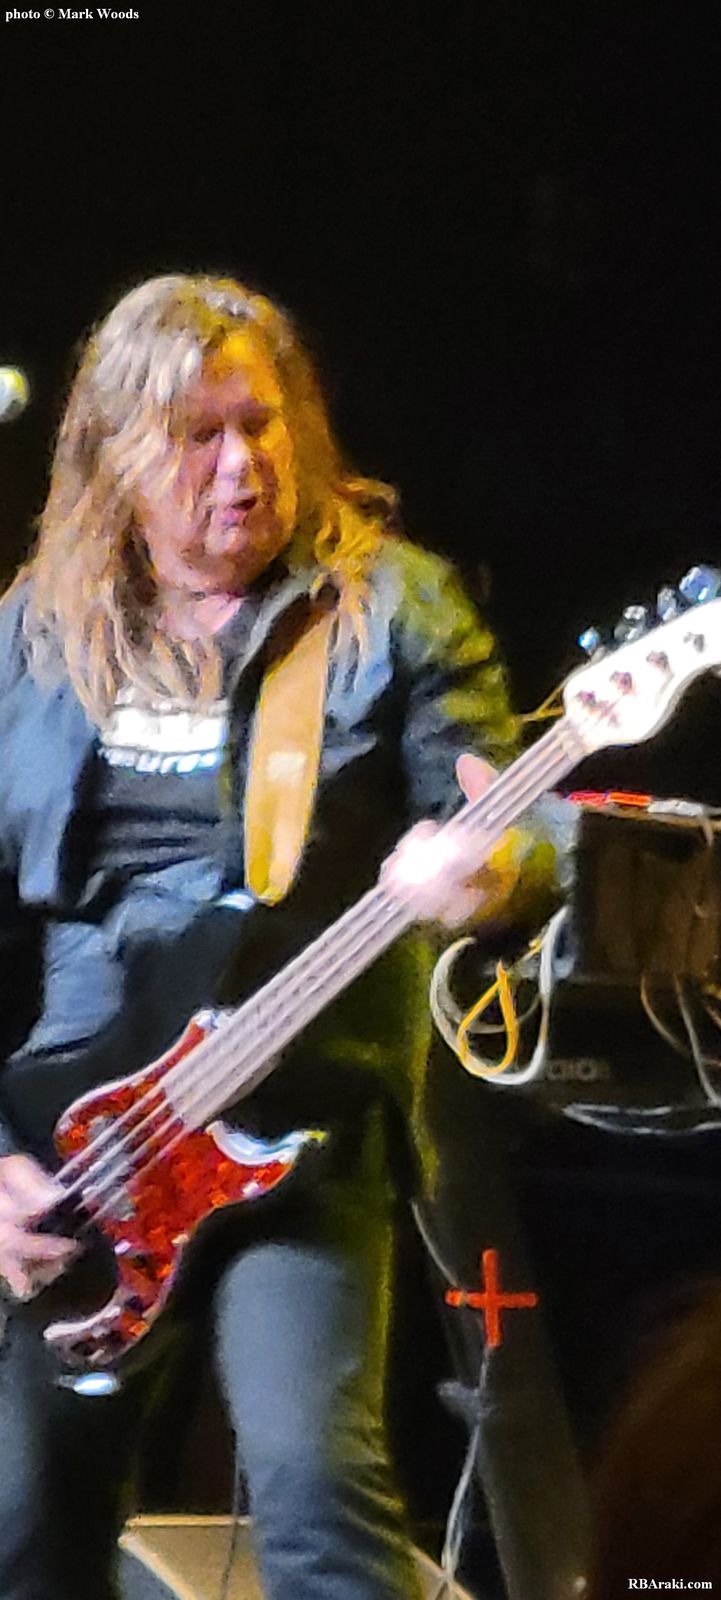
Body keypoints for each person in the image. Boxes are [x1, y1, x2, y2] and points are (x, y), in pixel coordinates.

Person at [0, 274, 562, 1600]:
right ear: (116, 455)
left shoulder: (387, 610)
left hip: (296, 1115)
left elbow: (511, 827)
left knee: (314, 1489)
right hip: (75, 1145)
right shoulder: (31, 637)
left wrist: (485, 875)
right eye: (196, 435)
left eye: (259, 425)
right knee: (25, 1520)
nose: (240, 465)